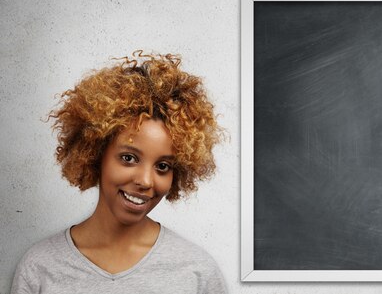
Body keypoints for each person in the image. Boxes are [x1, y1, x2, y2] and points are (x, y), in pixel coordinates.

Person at [10, 51, 227, 293]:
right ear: (95, 153)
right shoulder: (40, 269)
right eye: (129, 158)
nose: (145, 181)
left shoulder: (196, 273)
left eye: (163, 166)